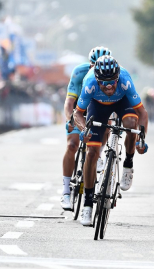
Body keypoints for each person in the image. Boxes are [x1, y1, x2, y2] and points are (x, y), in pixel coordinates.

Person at [73, 55, 148, 225]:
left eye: (112, 82)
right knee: (91, 152)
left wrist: (141, 139)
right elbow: (77, 113)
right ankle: (87, 205)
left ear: (118, 77)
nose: (108, 87)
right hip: (97, 105)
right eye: (104, 83)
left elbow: (142, 113)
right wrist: (85, 129)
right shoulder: (90, 83)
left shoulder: (125, 81)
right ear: (97, 79)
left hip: (122, 102)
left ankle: (128, 163)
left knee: (131, 122)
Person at [60, 46, 112, 210]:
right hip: (79, 110)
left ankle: (98, 154)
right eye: (93, 65)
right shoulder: (80, 72)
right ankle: (66, 191)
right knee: (72, 145)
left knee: (108, 125)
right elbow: (69, 102)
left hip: (97, 110)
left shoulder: (112, 74)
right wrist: (70, 119)